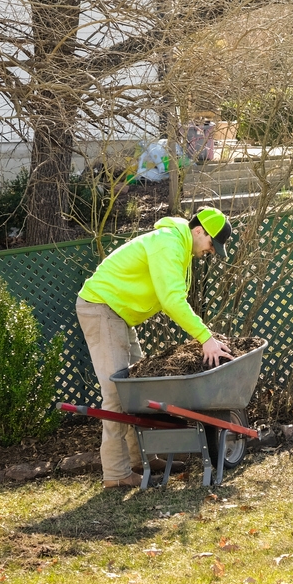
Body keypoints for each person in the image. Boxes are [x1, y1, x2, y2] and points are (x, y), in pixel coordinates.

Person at [76, 207, 233, 488]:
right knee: (116, 393)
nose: (211, 251)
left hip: (119, 313)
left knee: (137, 387)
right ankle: (116, 473)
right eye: (212, 244)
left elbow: (172, 296)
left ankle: (140, 460)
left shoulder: (179, 246)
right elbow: (171, 300)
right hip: (101, 307)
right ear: (199, 230)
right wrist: (205, 338)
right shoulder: (169, 244)